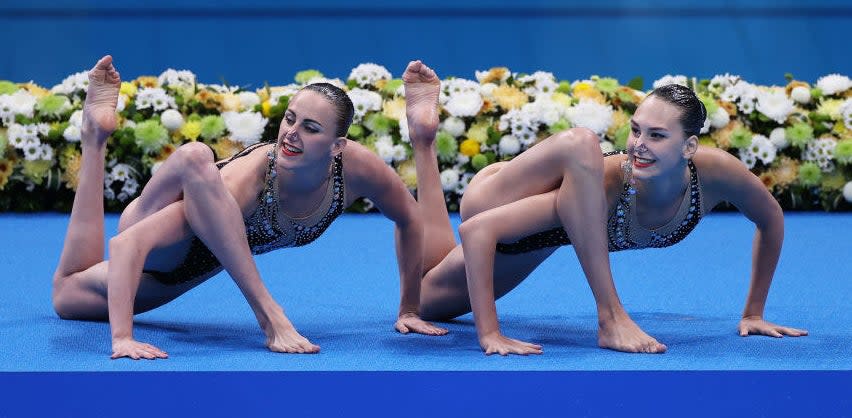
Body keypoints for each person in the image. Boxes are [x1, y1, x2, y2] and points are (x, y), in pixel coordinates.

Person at [51, 56, 447, 360]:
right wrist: (123, 338)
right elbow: (126, 245)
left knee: (68, 292)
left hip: (175, 277)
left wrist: (409, 307)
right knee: (193, 157)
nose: (291, 133)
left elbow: (410, 219)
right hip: (159, 242)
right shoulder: (239, 186)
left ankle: (95, 135)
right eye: (289, 119)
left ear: (337, 146)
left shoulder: (359, 168)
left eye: (310, 128)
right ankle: (99, 137)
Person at [406, 74, 809, 355]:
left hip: (528, 242)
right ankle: (611, 316)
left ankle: (423, 139)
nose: (639, 145)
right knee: (582, 144)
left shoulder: (718, 173)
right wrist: (490, 333)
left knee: (424, 301)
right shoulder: (600, 186)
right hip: (495, 196)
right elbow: (477, 227)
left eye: (656, 135)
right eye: (636, 130)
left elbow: (770, 220)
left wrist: (754, 312)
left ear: (689, 147)